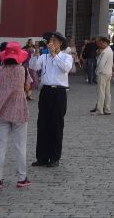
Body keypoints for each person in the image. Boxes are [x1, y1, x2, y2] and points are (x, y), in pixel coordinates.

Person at [0, 41, 31, 190]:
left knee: (1, 146)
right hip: (19, 109)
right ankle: (22, 178)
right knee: (20, 146)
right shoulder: (24, 70)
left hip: (2, 110)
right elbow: (28, 87)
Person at [31, 31, 73, 168]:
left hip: (59, 92)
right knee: (42, 124)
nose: (52, 43)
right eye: (50, 41)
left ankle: (55, 157)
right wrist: (36, 52)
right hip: (46, 91)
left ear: (60, 43)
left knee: (56, 125)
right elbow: (34, 66)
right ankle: (42, 157)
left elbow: (65, 69)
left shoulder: (67, 57)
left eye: (55, 41)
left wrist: (54, 55)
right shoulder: (44, 57)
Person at [89, 37, 114, 115]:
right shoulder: (110, 51)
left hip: (102, 73)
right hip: (108, 72)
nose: (99, 45)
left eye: (100, 43)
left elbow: (101, 64)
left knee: (101, 92)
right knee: (107, 92)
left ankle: (99, 110)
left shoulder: (105, 52)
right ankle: (107, 108)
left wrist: (97, 72)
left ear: (104, 42)